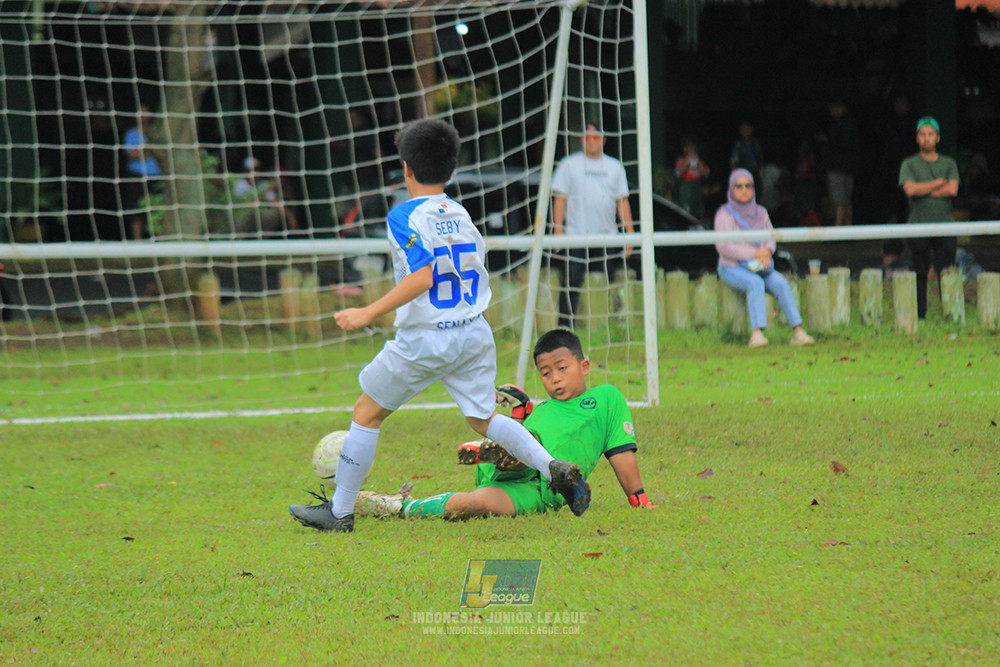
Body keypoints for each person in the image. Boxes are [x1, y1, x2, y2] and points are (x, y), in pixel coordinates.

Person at [288, 119, 591, 533]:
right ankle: (551, 466)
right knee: (483, 418)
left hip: (427, 337)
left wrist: (367, 312)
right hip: (473, 332)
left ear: (407, 169)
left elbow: (423, 276)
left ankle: (339, 513)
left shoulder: (403, 215)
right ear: (449, 171)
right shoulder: (460, 212)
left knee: (366, 412)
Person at [350, 329, 655, 521]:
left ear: (584, 366)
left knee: (473, 505)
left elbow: (621, 452)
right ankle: (506, 457)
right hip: (514, 467)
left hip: (543, 491)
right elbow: (517, 429)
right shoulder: (543, 409)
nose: (555, 378)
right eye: (546, 373)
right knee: (527, 437)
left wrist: (638, 498)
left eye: (562, 368)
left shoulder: (606, 398)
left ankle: (399, 505)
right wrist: (522, 411)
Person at [715, 169, 815, 349]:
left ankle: (798, 332)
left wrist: (767, 253)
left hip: (760, 266)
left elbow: (770, 238)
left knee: (782, 284)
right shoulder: (724, 214)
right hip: (732, 267)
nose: (744, 190)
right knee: (755, 283)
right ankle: (757, 334)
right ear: (731, 189)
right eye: (739, 186)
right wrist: (754, 254)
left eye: (748, 186)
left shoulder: (761, 212)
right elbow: (724, 246)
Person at [551, 122, 634, 329]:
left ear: (603, 140)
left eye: (595, 137)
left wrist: (630, 233)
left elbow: (622, 201)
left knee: (607, 281)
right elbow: (559, 198)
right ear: (581, 139)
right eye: (587, 137)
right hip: (576, 236)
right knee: (571, 281)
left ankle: (610, 327)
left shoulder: (615, 167)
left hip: (607, 237)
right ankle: (565, 326)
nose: (591, 141)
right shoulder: (568, 165)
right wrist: (558, 230)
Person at [898, 116, 960, 320]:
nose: (926, 139)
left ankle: (950, 314)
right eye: (922, 135)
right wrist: (937, 183)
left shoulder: (949, 163)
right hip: (918, 226)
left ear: (938, 138)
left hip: (946, 226)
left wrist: (923, 189)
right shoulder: (909, 164)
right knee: (920, 271)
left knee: (947, 271)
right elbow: (909, 190)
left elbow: (952, 190)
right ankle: (920, 315)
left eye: (930, 134)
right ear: (917, 138)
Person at [232, 156, 300, 236]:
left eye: (257, 169)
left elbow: (275, 202)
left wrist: (290, 216)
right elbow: (249, 204)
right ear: (245, 171)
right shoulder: (239, 185)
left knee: (273, 214)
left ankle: (261, 239)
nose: (255, 173)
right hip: (242, 218)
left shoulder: (262, 184)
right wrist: (268, 188)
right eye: (251, 170)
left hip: (257, 218)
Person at [122, 104, 161, 240]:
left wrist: (144, 151)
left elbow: (161, 152)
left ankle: (156, 239)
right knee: (136, 210)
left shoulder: (157, 132)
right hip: (136, 176)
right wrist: (149, 151)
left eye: (146, 112)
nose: (144, 116)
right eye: (141, 112)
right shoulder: (131, 133)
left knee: (156, 209)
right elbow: (132, 154)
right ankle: (137, 242)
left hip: (156, 176)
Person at [816, 100, 858, 227]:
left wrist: (827, 140)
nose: (832, 111)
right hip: (848, 167)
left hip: (838, 167)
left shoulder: (845, 124)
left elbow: (844, 143)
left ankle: (838, 230)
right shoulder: (844, 123)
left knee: (839, 201)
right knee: (846, 201)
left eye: (834, 108)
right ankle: (848, 229)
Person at [674, 136, 710, 220]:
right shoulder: (680, 160)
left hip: (697, 186)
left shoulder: (700, 160)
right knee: (687, 210)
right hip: (686, 186)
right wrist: (687, 163)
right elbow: (677, 174)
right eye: (689, 147)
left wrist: (698, 164)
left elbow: (706, 173)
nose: (691, 149)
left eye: (693, 147)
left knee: (699, 210)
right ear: (684, 149)